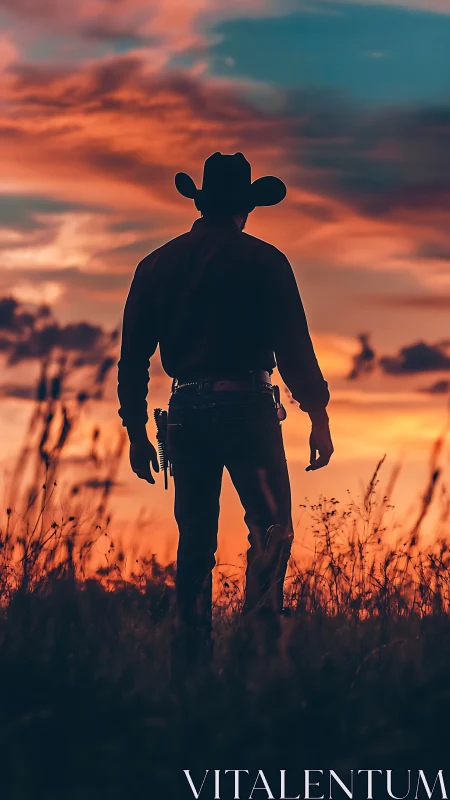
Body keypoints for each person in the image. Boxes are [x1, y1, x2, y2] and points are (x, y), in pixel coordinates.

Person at [117, 152, 333, 657]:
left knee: (194, 542)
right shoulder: (265, 260)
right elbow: (294, 348)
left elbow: (132, 359)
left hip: (185, 413)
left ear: (202, 203)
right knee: (272, 531)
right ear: (246, 208)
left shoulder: (155, 265)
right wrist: (317, 414)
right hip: (249, 408)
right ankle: (255, 655)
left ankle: (190, 663)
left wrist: (134, 430)